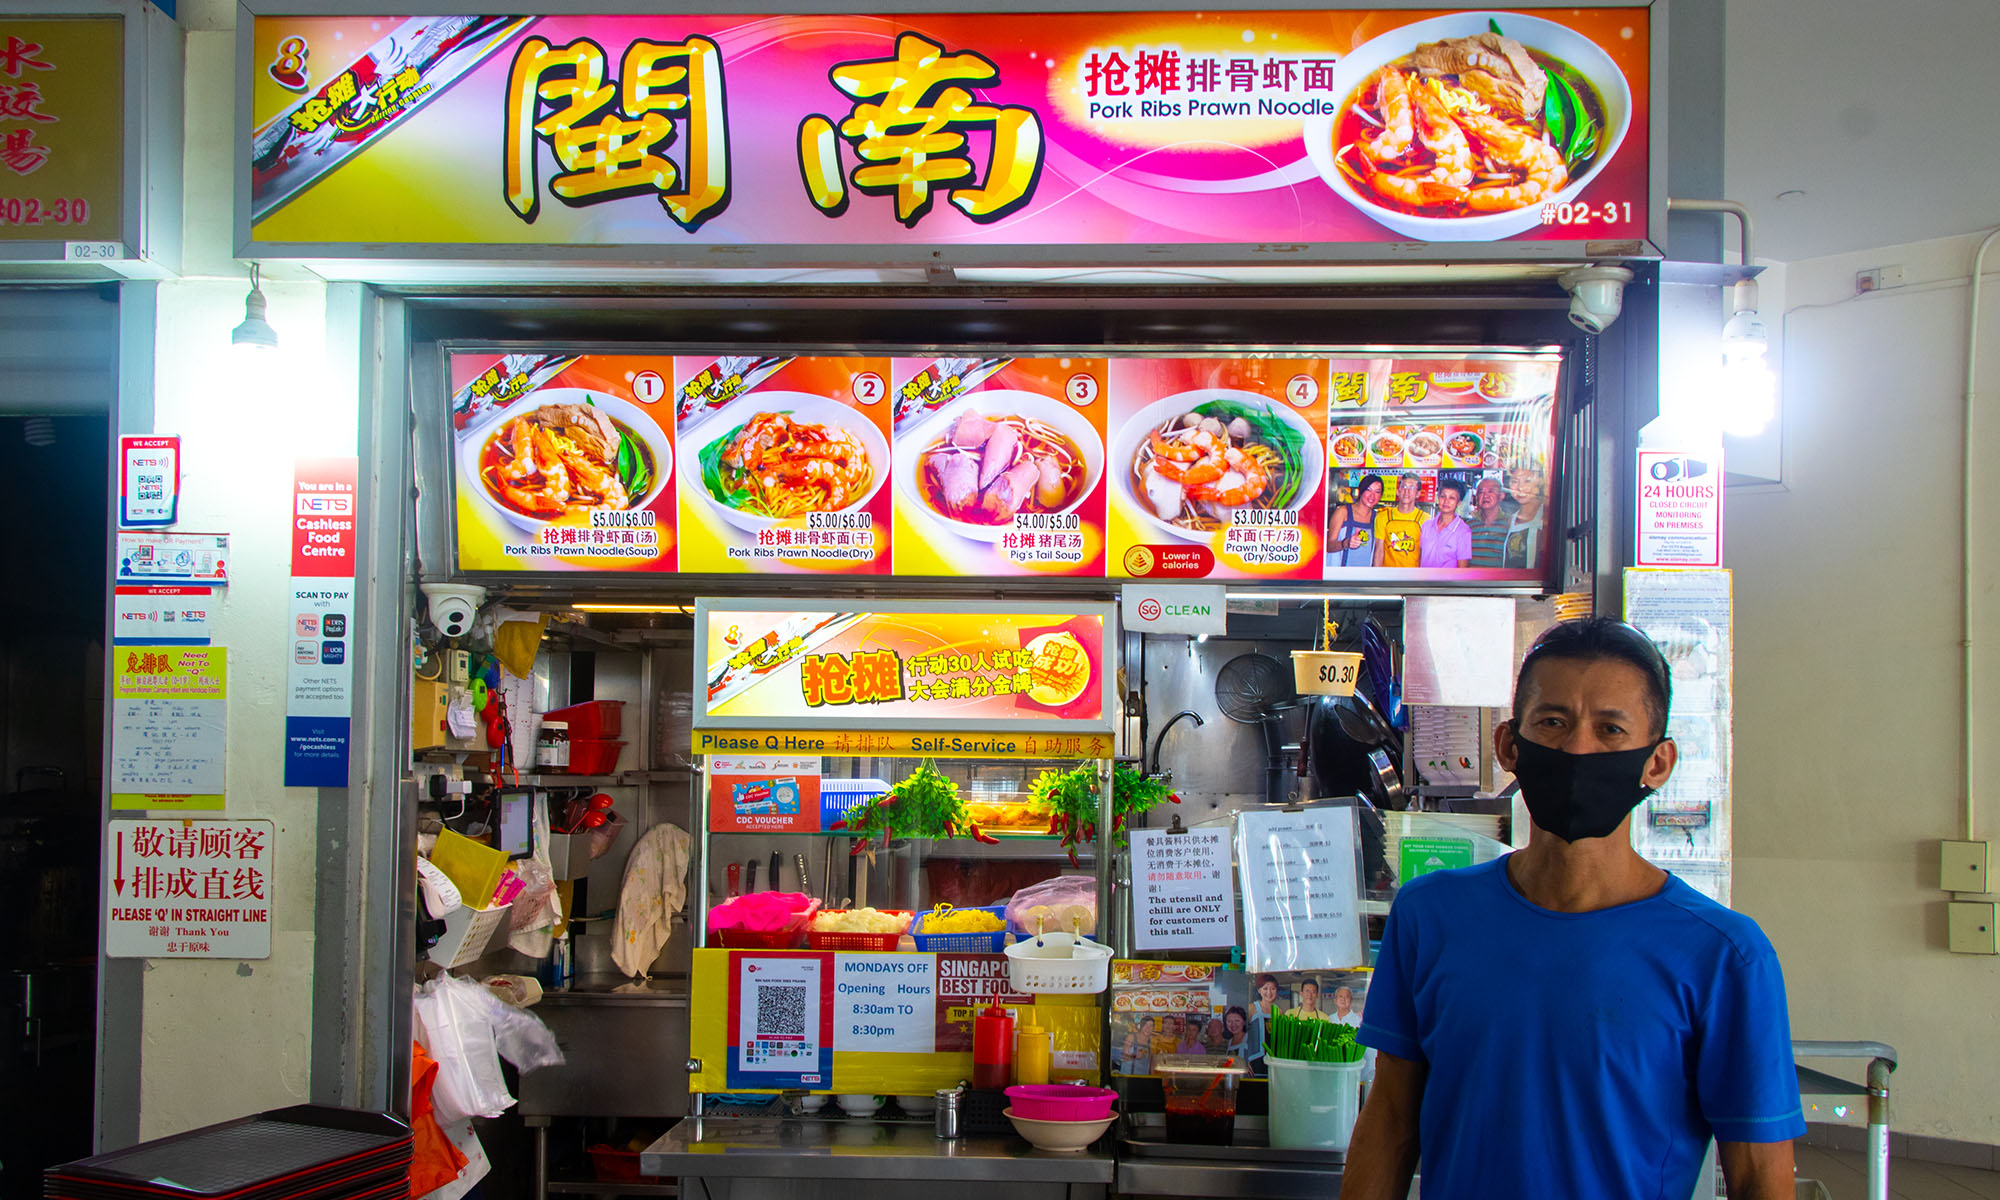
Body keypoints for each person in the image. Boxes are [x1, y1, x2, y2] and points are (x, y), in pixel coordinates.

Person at [1341, 618, 1803, 1200]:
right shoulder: (1430, 915)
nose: (1578, 748)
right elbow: (1388, 1123)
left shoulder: (1726, 956)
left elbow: (1761, 1177)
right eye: (1553, 722)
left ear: (1656, 764)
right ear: (1510, 744)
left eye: (1610, 729)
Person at [1373, 473, 1427, 568]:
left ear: (1418, 494)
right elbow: (1379, 551)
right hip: (1388, 576)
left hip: (1413, 577)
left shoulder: (1425, 519)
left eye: (1412, 488)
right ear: (1398, 491)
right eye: (1404, 487)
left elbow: (1424, 553)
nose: (1407, 491)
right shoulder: (1383, 517)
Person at [1330, 474, 1384, 568]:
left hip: (1364, 577)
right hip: (1339, 576)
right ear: (1361, 491)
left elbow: (1377, 551)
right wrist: (1346, 543)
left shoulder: (1378, 518)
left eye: (1377, 492)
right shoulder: (1343, 512)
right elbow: (1328, 546)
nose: (1372, 496)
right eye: (1368, 490)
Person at [1417, 479, 1473, 568]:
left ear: (1458, 503)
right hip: (1423, 580)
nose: (1446, 501)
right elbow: (1420, 557)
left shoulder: (1463, 532)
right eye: (1443, 496)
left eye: (1452, 498)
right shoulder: (1427, 526)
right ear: (1438, 499)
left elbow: (1462, 569)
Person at [1501, 464, 1547, 569]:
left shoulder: (1545, 516)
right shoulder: (1511, 519)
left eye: (1527, 481)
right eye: (1514, 481)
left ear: (1538, 484)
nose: (1520, 488)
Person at [1466, 475, 1510, 567]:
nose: (1485, 496)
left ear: (1501, 496)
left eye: (1491, 491)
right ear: (1476, 497)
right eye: (1481, 492)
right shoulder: (1469, 526)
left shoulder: (1510, 524)